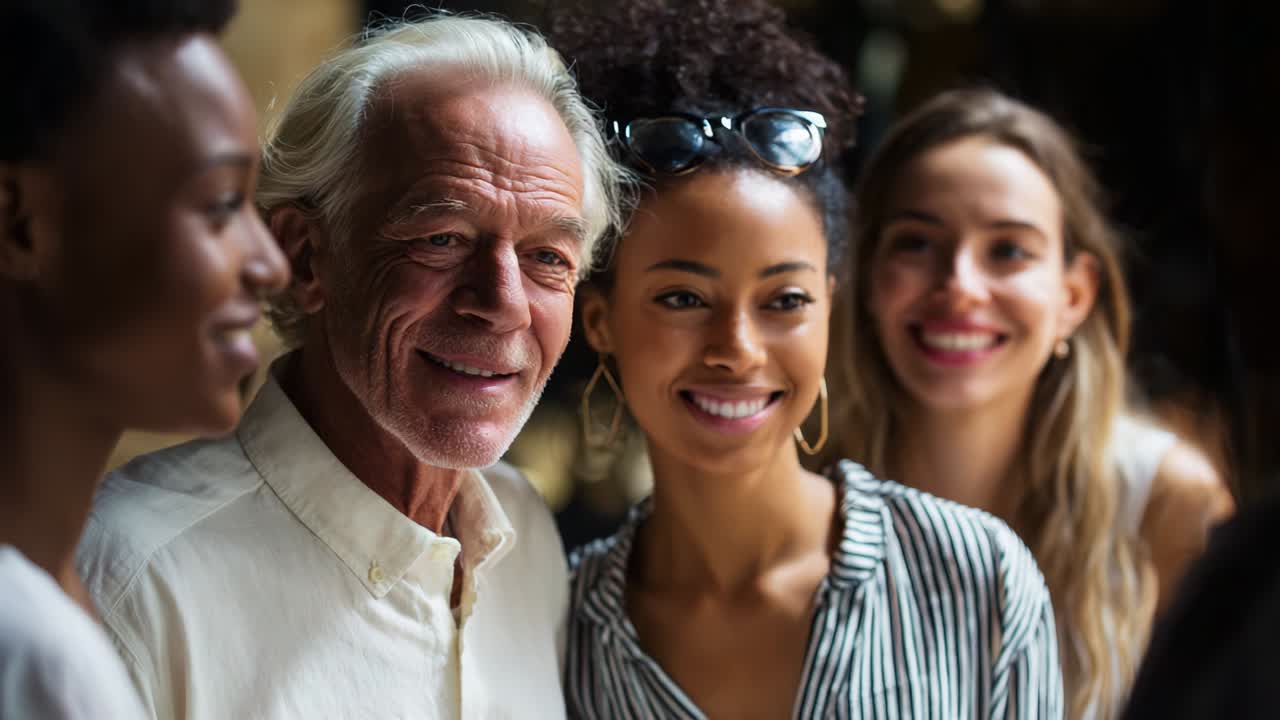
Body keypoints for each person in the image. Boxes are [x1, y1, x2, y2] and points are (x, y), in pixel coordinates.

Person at [75, 13, 625, 720]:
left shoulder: (526, 541)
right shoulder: (128, 583)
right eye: (442, 238)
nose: (503, 304)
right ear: (306, 258)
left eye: (548, 257)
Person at [549, 2, 1062, 717]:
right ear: (599, 318)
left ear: (830, 305)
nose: (738, 348)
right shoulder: (554, 630)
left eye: (784, 300)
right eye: (683, 299)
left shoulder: (979, 578)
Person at [823, 86, 1235, 718]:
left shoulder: (1168, 506)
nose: (960, 286)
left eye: (1009, 250)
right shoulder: (808, 493)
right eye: (916, 242)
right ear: (867, 279)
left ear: (1073, 296)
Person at [0, 0, 287, 717]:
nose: (269, 264)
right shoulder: (32, 657)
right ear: (18, 221)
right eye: (221, 204)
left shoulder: (66, 611)